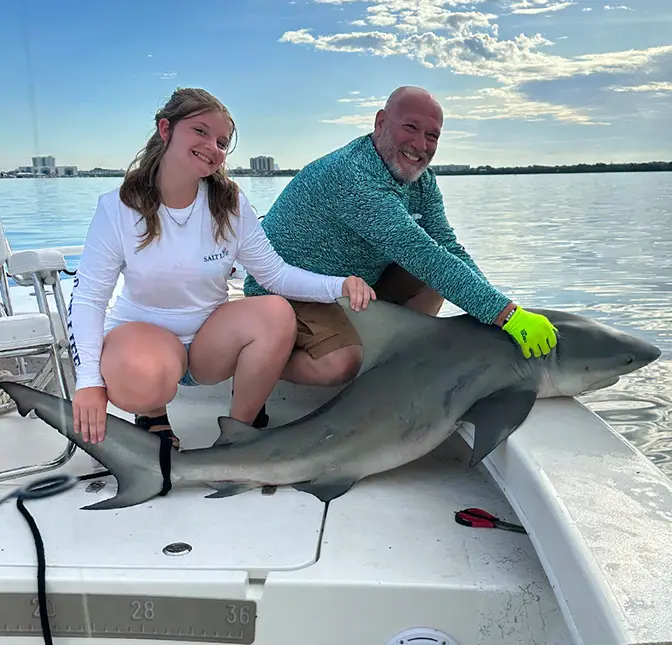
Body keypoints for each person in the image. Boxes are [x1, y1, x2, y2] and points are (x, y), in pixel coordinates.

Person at [67, 87, 375, 448]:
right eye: (200, 131)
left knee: (275, 312)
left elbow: (274, 275)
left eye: (222, 141)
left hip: (209, 345)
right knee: (144, 377)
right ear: (166, 130)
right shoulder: (118, 208)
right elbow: (89, 297)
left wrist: (339, 285)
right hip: (142, 339)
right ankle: (153, 415)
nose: (213, 146)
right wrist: (88, 381)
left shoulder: (229, 204)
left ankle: (238, 432)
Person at [244, 85, 558, 391]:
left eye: (432, 135)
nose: (420, 144)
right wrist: (509, 316)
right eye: (411, 127)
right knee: (341, 363)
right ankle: (253, 362)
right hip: (289, 292)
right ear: (380, 122)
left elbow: (447, 248)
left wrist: (499, 311)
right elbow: (420, 253)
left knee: (441, 273)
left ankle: (395, 357)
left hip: (353, 285)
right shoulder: (353, 176)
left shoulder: (423, 182)